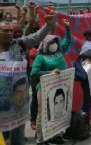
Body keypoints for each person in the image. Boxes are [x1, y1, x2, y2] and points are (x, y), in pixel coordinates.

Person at [0, 14, 54, 145]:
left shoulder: (18, 44)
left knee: (18, 139)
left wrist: (49, 25)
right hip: (2, 106)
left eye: (11, 30)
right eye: (5, 31)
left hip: (18, 105)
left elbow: (36, 37)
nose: (9, 33)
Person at [31, 19, 71, 145]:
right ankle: (41, 139)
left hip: (59, 88)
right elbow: (34, 73)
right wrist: (50, 73)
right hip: (45, 89)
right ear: (45, 44)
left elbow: (67, 41)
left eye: (55, 42)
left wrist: (68, 29)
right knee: (43, 114)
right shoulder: (40, 57)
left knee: (58, 113)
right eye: (51, 42)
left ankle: (55, 135)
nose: (54, 44)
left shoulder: (60, 52)